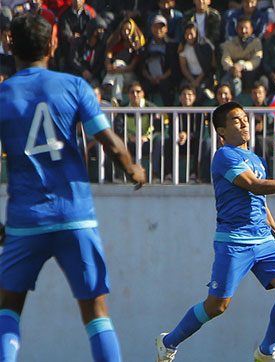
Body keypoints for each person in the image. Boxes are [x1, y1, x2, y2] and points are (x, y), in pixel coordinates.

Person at [0, 13, 146, 362]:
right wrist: (133, 170)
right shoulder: (74, 86)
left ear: (9, 45)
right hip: (75, 216)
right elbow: (109, 142)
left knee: (8, 308)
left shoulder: (3, 95)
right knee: (96, 311)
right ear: (53, 44)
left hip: (25, 220)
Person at [155, 101, 275, 362]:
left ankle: (266, 351)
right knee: (217, 306)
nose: (244, 123)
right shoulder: (224, 156)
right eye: (236, 120)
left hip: (263, 240)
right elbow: (253, 185)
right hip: (234, 241)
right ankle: (168, 341)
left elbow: (259, 201)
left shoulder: (255, 158)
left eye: (244, 118)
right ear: (221, 130)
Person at [220, 15, 263, 96]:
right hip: (233, 72)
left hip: (251, 73)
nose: (243, 31)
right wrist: (232, 68)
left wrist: (242, 65)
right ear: (236, 29)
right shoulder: (230, 43)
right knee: (230, 80)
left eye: (246, 28)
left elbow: (256, 60)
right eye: (240, 28)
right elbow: (225, 59)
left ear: (251, 29)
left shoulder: (256, 42)